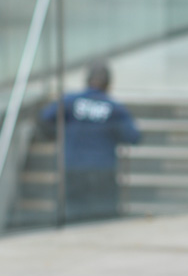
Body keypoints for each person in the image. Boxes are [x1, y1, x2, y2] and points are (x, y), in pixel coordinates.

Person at [39, 61, 140, 222]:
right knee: (105, 218)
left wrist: (56, 135)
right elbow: (133, 137)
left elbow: (45, 118)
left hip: (73, 167)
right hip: (103, 169)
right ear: (108, 84)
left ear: (86, 80)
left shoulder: (70, 101)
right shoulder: (114, 108)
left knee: (72, 214)